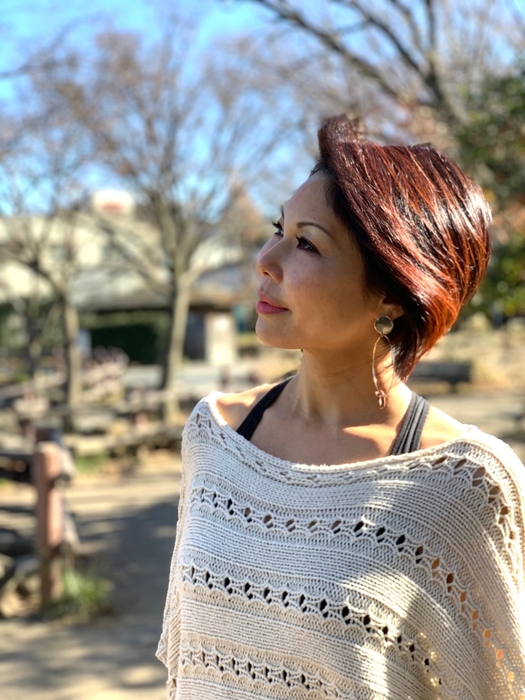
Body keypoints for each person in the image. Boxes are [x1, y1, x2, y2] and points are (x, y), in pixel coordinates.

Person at [156, 115, 525, 699]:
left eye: (306, 243)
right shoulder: (215, 436)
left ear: (394, 292)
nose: (266, 259)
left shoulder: (463, 485)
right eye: (278, 229)